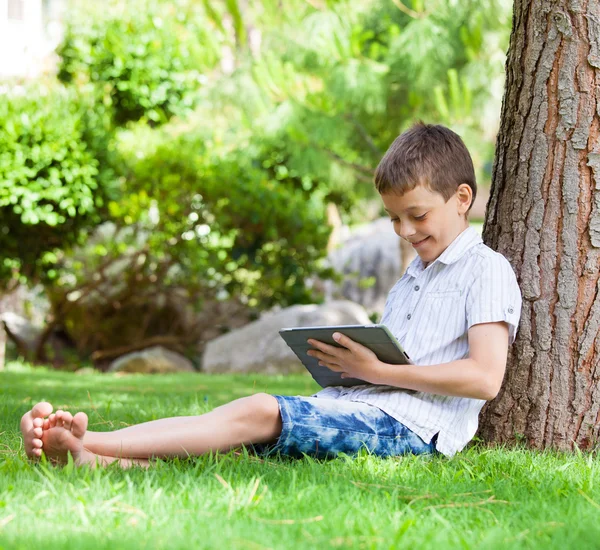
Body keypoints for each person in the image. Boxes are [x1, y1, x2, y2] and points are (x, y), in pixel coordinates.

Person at [20, 122, 522, 467]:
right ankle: (93, 460)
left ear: (462, 199)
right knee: (238, 438)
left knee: (259, 412)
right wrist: (352, 363)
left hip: (410, 430)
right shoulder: (415, 276)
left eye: (417, 215)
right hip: (361, 406)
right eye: (394, 218)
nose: (405, 230)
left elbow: (484, 378)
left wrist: (379, 372)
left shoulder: (486, 269)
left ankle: (91, 440)